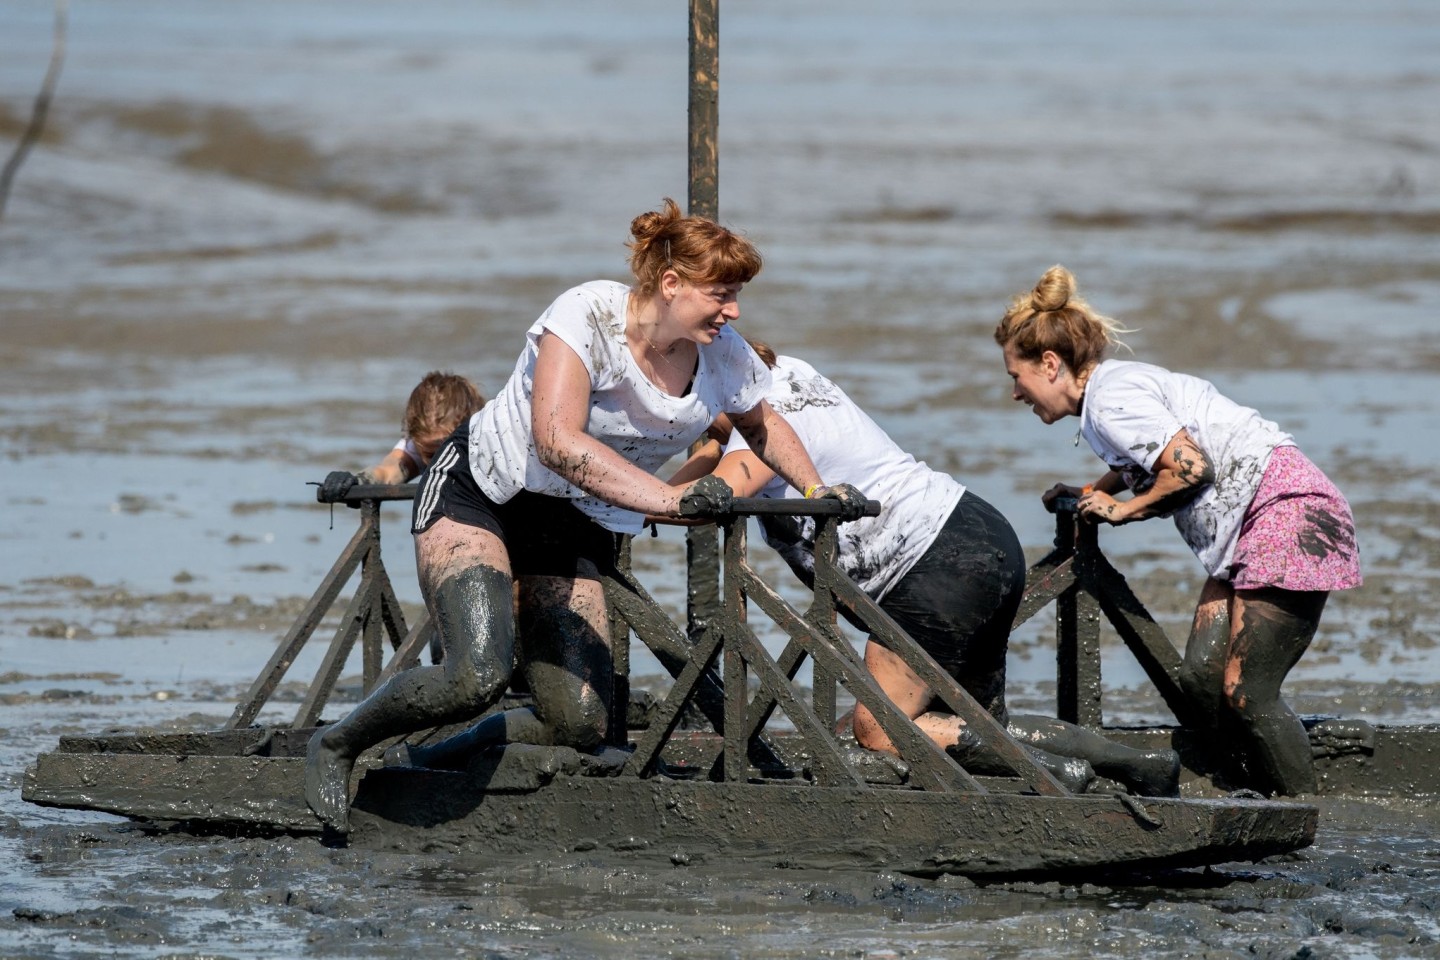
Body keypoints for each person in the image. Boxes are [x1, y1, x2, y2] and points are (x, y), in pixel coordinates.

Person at [303, 199, 866, 833]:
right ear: (671, 284)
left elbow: (762, 425)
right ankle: (337, 745)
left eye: (737, 296)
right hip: (481, 495)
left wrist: (820, 487)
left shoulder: (723, 351)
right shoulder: (588, 315)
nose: (733, 311)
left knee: (579, 724)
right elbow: (557, 442)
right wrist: (673, 501)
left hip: (571, 521)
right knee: (477, 673)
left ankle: (437, 753)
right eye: (722, 295)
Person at [660, 338, 1181, 797]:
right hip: (978, 529)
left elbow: (708, 499)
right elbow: (719, 448)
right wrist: (706, 441)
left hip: (929, 570)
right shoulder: (791, 373)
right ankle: (1144, 765)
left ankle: (1057, 775)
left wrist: (623, 493)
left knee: (880, 729)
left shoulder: (758, 437)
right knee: (977, 722)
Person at [994, 264, 1361, 797]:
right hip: (1251, 530)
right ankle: (1250, 781)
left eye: (1016, 377)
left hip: (1289, 516)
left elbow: (1190, 467)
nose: (1016, 393)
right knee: (1202, 678)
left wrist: (1123, 511)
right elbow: (1142, 456)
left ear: (1049, 364)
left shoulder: (1112, 401)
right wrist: (1094, 488)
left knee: (1247, 692)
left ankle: (1303, 815)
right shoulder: (1107, 398)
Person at [316, 371, 485, 501]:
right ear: (415, 439)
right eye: (431, 454)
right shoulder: (418, 444)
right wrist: (358, 481)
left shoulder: (492, 437)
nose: (441, 460)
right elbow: (388, 471)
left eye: (447, 449)